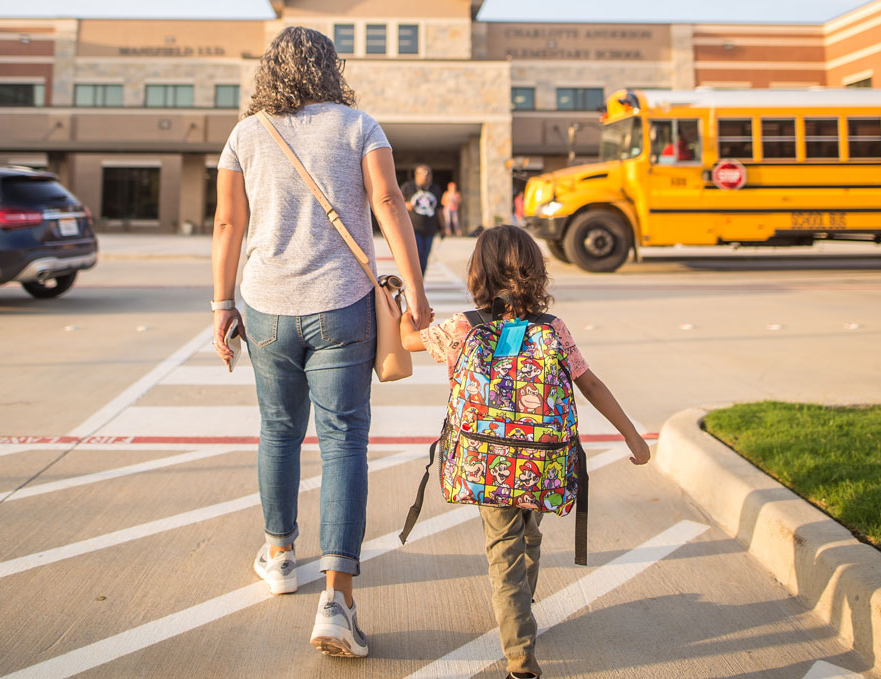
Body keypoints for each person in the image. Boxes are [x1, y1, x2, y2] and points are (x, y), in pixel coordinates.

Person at [211, 26, 431, 659]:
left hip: (267, 307)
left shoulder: (246, 133)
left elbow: (229, 222)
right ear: (330, 68)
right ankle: (336, 601)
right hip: (343, 306)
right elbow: (388, 201)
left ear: (270, 71)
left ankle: (279, 554)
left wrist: (222, 307)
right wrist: (413, 291)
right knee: (343, 444)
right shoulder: (359, 125)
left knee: (278, 430)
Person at [398, 225, 650, 679]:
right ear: (536, 271)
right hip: (543, 462)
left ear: (478, 273)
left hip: (486, 465)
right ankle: (523, 607)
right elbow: (589, 383)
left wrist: (404, 314)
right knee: (529, 533)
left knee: (503, 551)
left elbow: (408, 342)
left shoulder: (463, 328)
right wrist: (631, 435)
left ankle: (520, 656)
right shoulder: (553, 329)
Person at [400, 164, 443, 274]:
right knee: (416, 256)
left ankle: (420, 281)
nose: (426, 177)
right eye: (423, 174)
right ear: (416, 175)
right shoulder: (408, 187)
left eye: (428, 174)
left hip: (430, 229)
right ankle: (414, 281)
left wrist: (443, 227)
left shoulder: (435, 189)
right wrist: (406, 205)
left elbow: (439, 209)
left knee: (424, 257)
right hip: (413, 228)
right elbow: (397, 203)